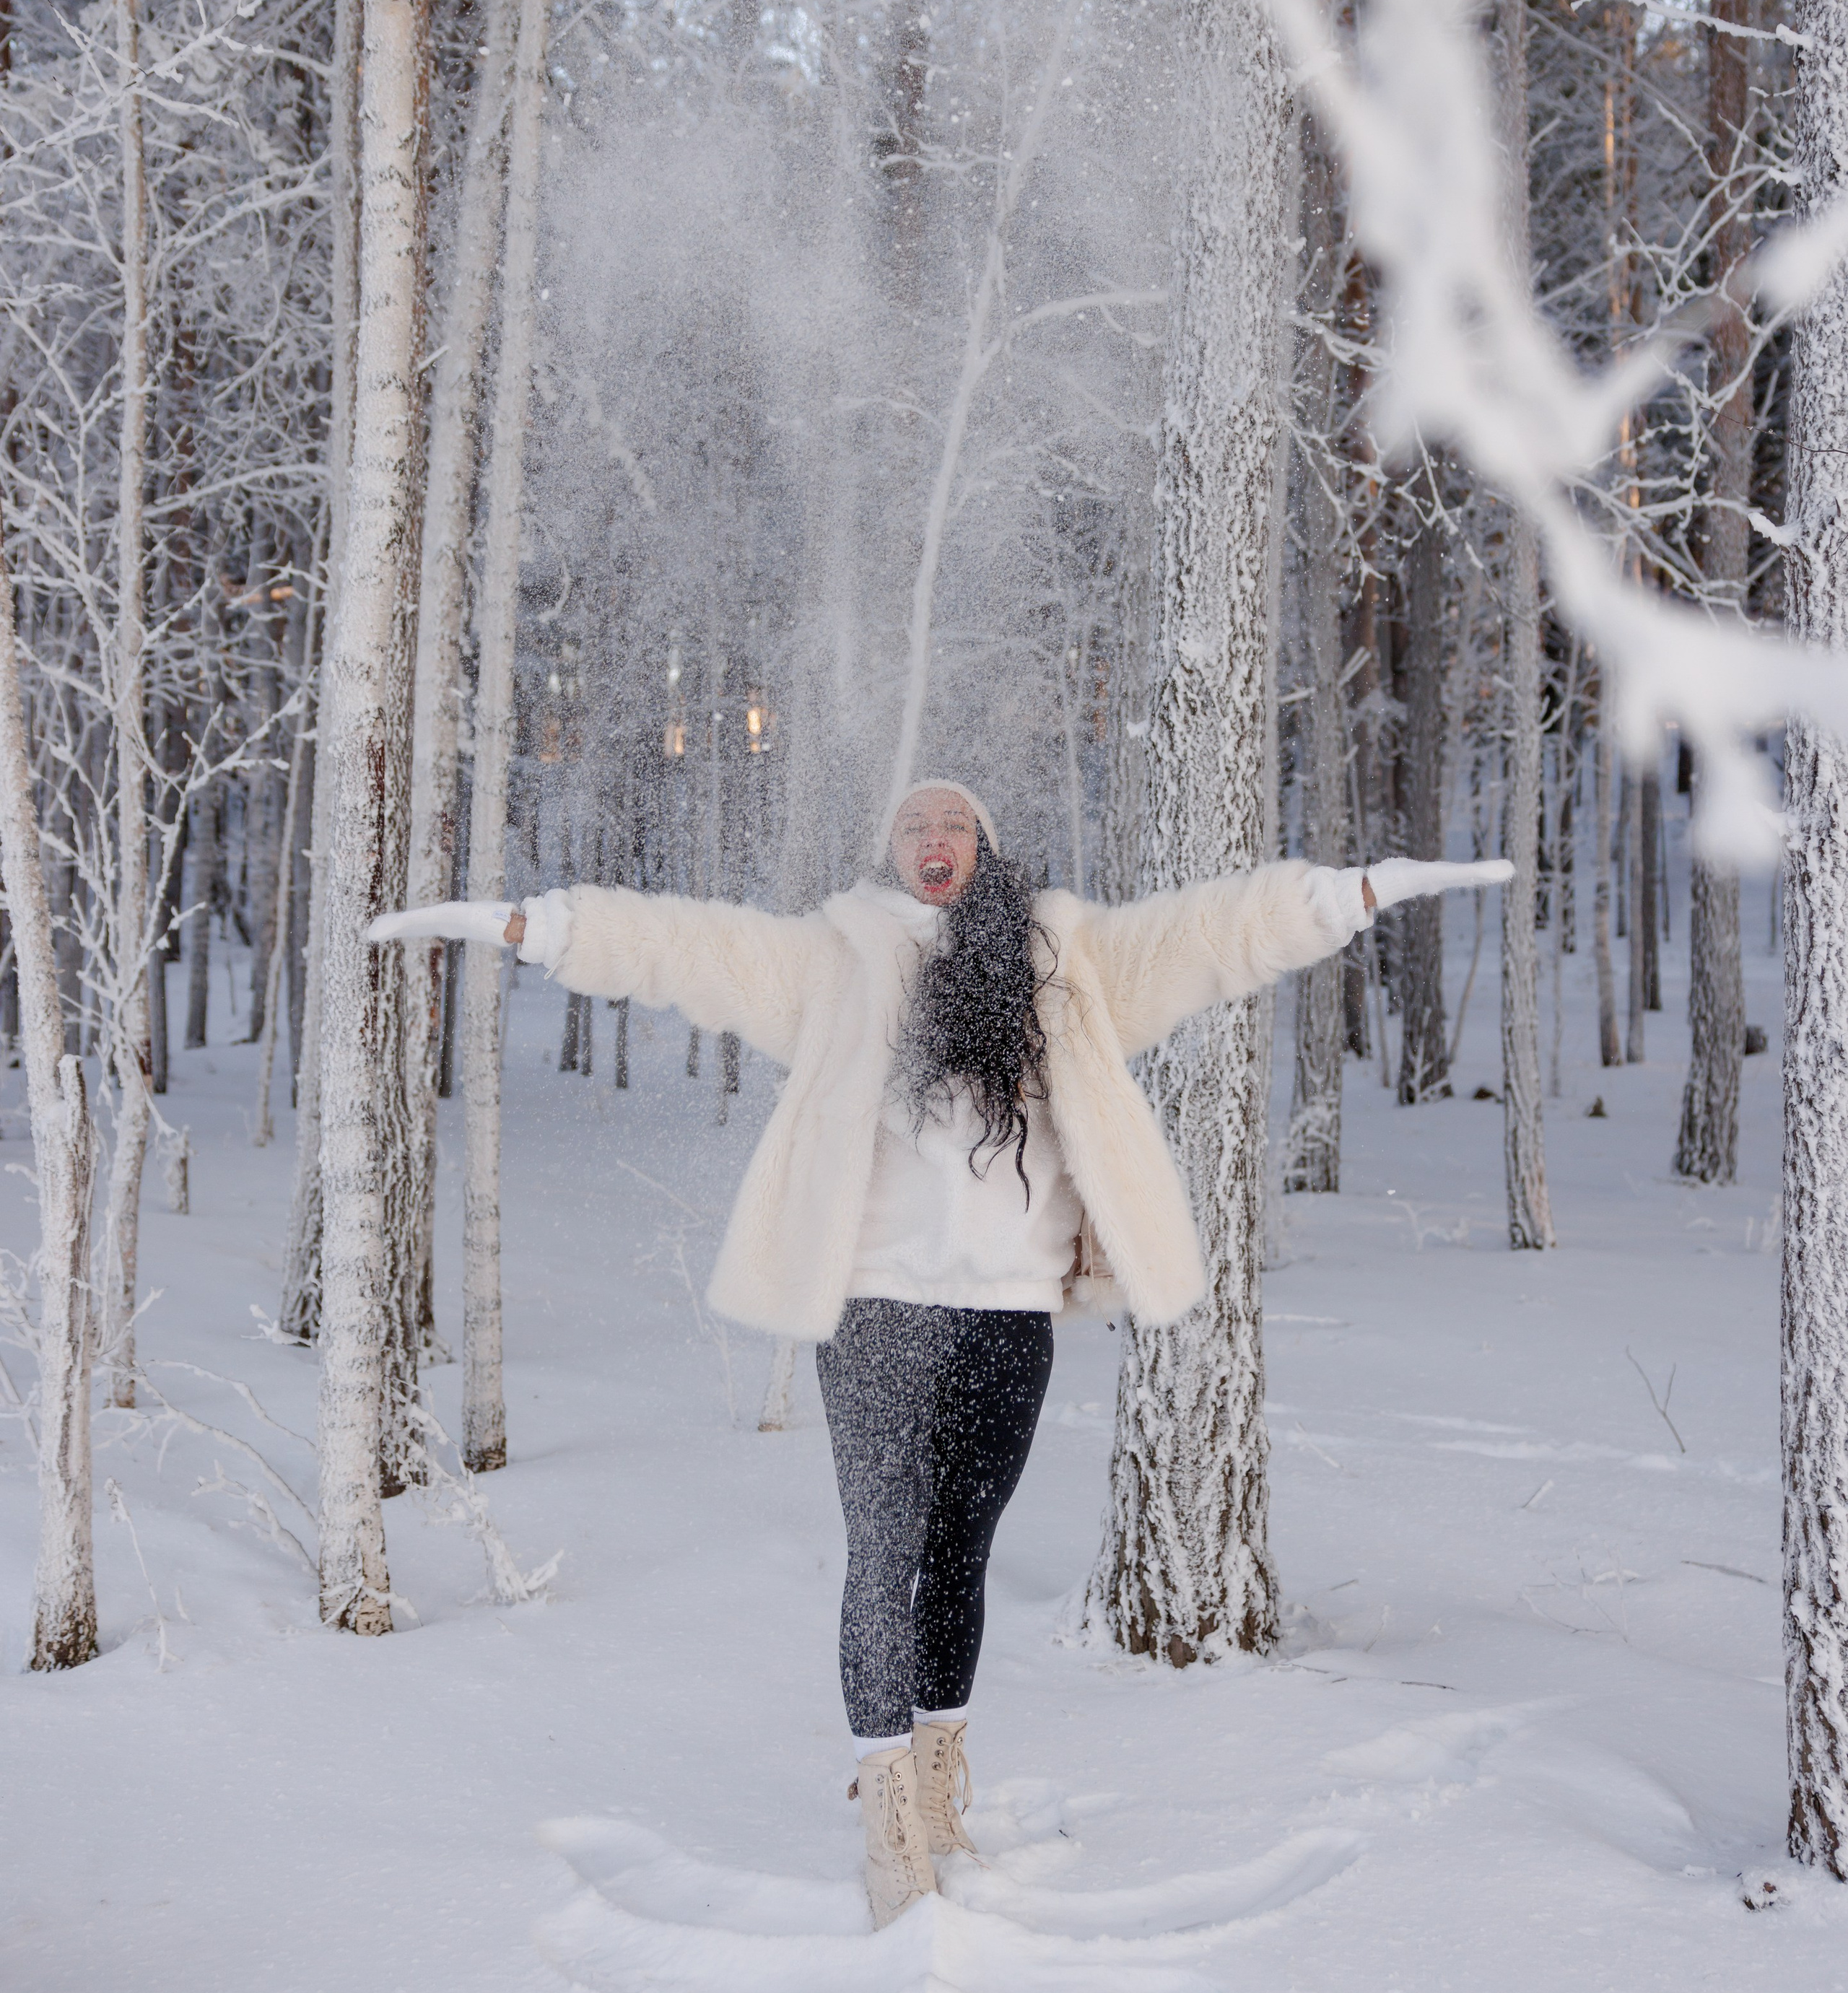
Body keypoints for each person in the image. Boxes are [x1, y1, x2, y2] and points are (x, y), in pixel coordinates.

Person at [372, 782, 1507, 1926]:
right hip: (874, 1304)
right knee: (882, 1550)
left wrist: (1343, 898)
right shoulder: (837, 961)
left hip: (1010, 1314)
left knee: (959, 1556)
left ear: (985, 847)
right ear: (891, 850)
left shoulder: (1064, 960)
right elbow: (691, 952)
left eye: (954, 825)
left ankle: (936, 1778)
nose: (934, 841)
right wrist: (542, 927)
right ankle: (887, 1827)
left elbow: (1211, 937)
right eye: (915, 827)